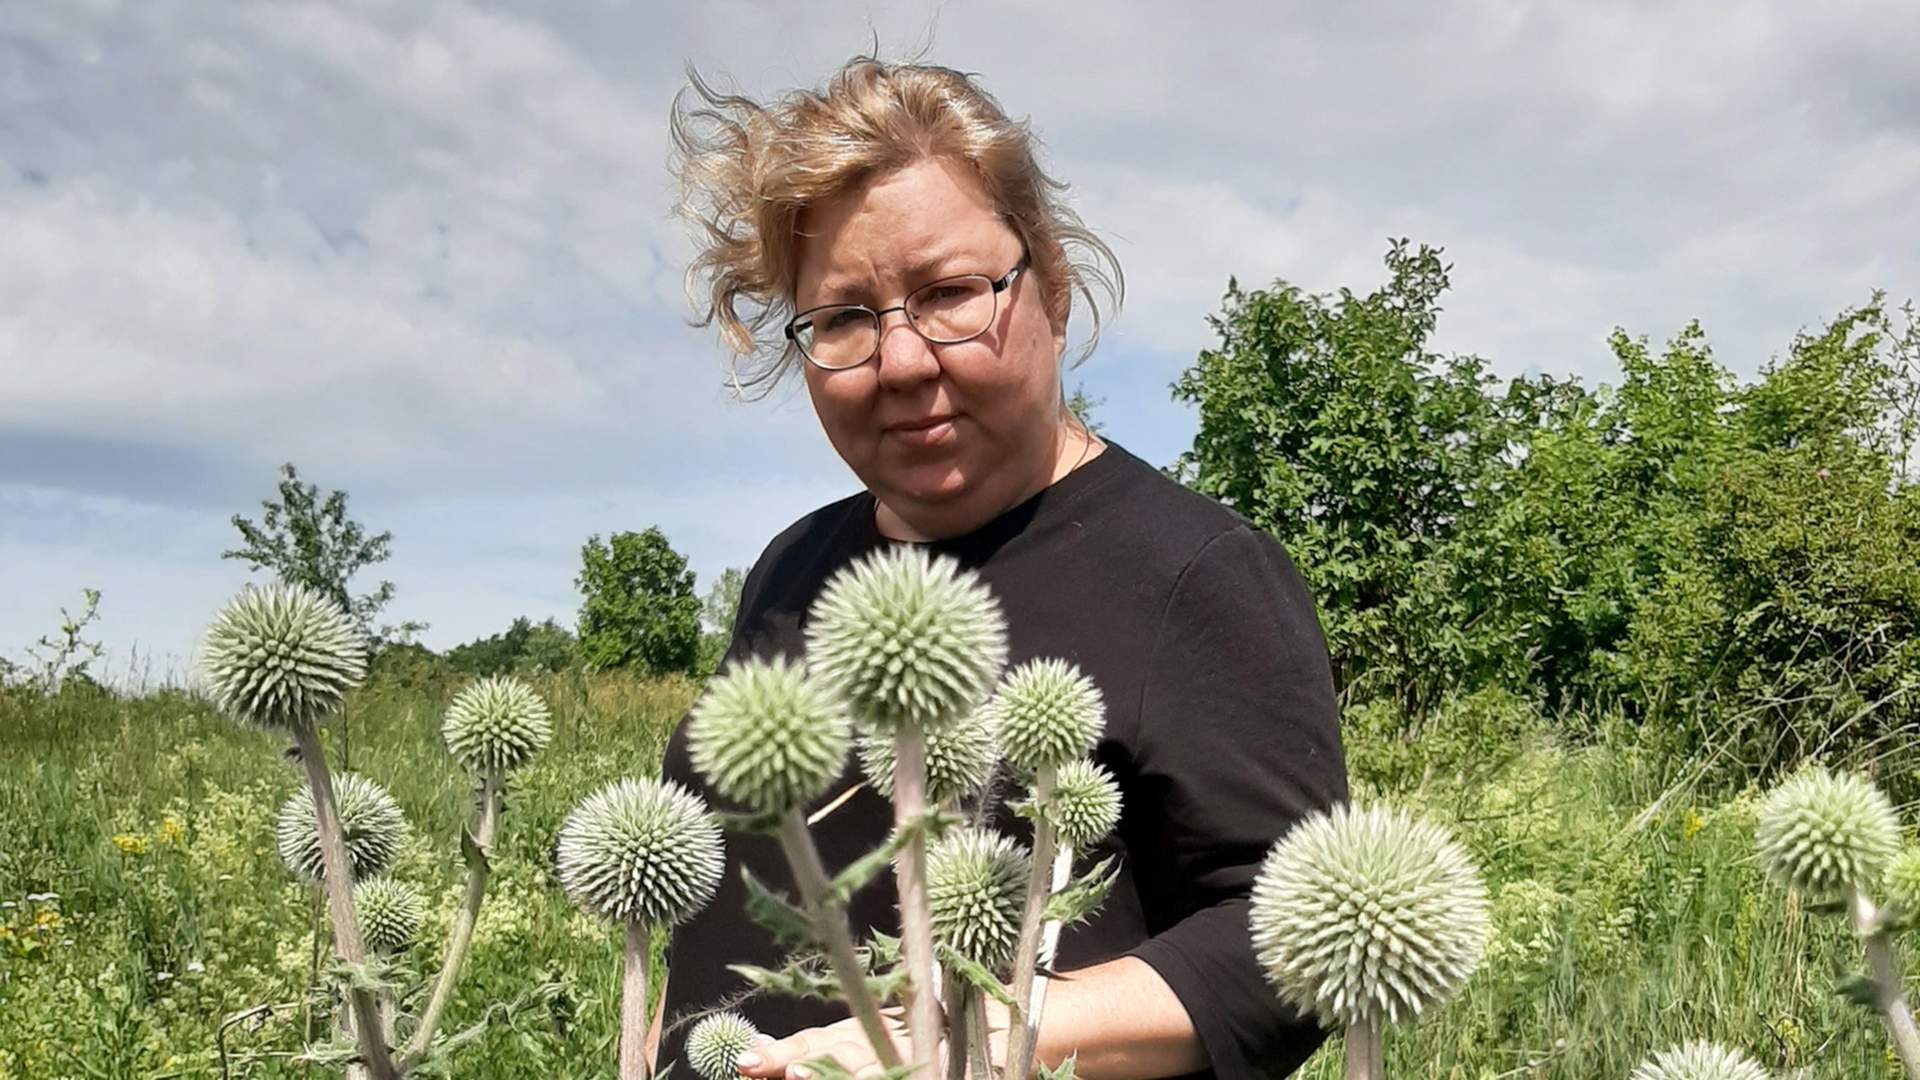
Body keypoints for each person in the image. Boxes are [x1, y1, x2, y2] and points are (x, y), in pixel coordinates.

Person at [655, 56, 1348, 1080]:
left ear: (1053, 291)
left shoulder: (1198, 576)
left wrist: (954, 1040)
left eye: (949, 294)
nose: (900, 362)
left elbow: (1291, 941)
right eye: (844, 317)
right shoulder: (793, 565)